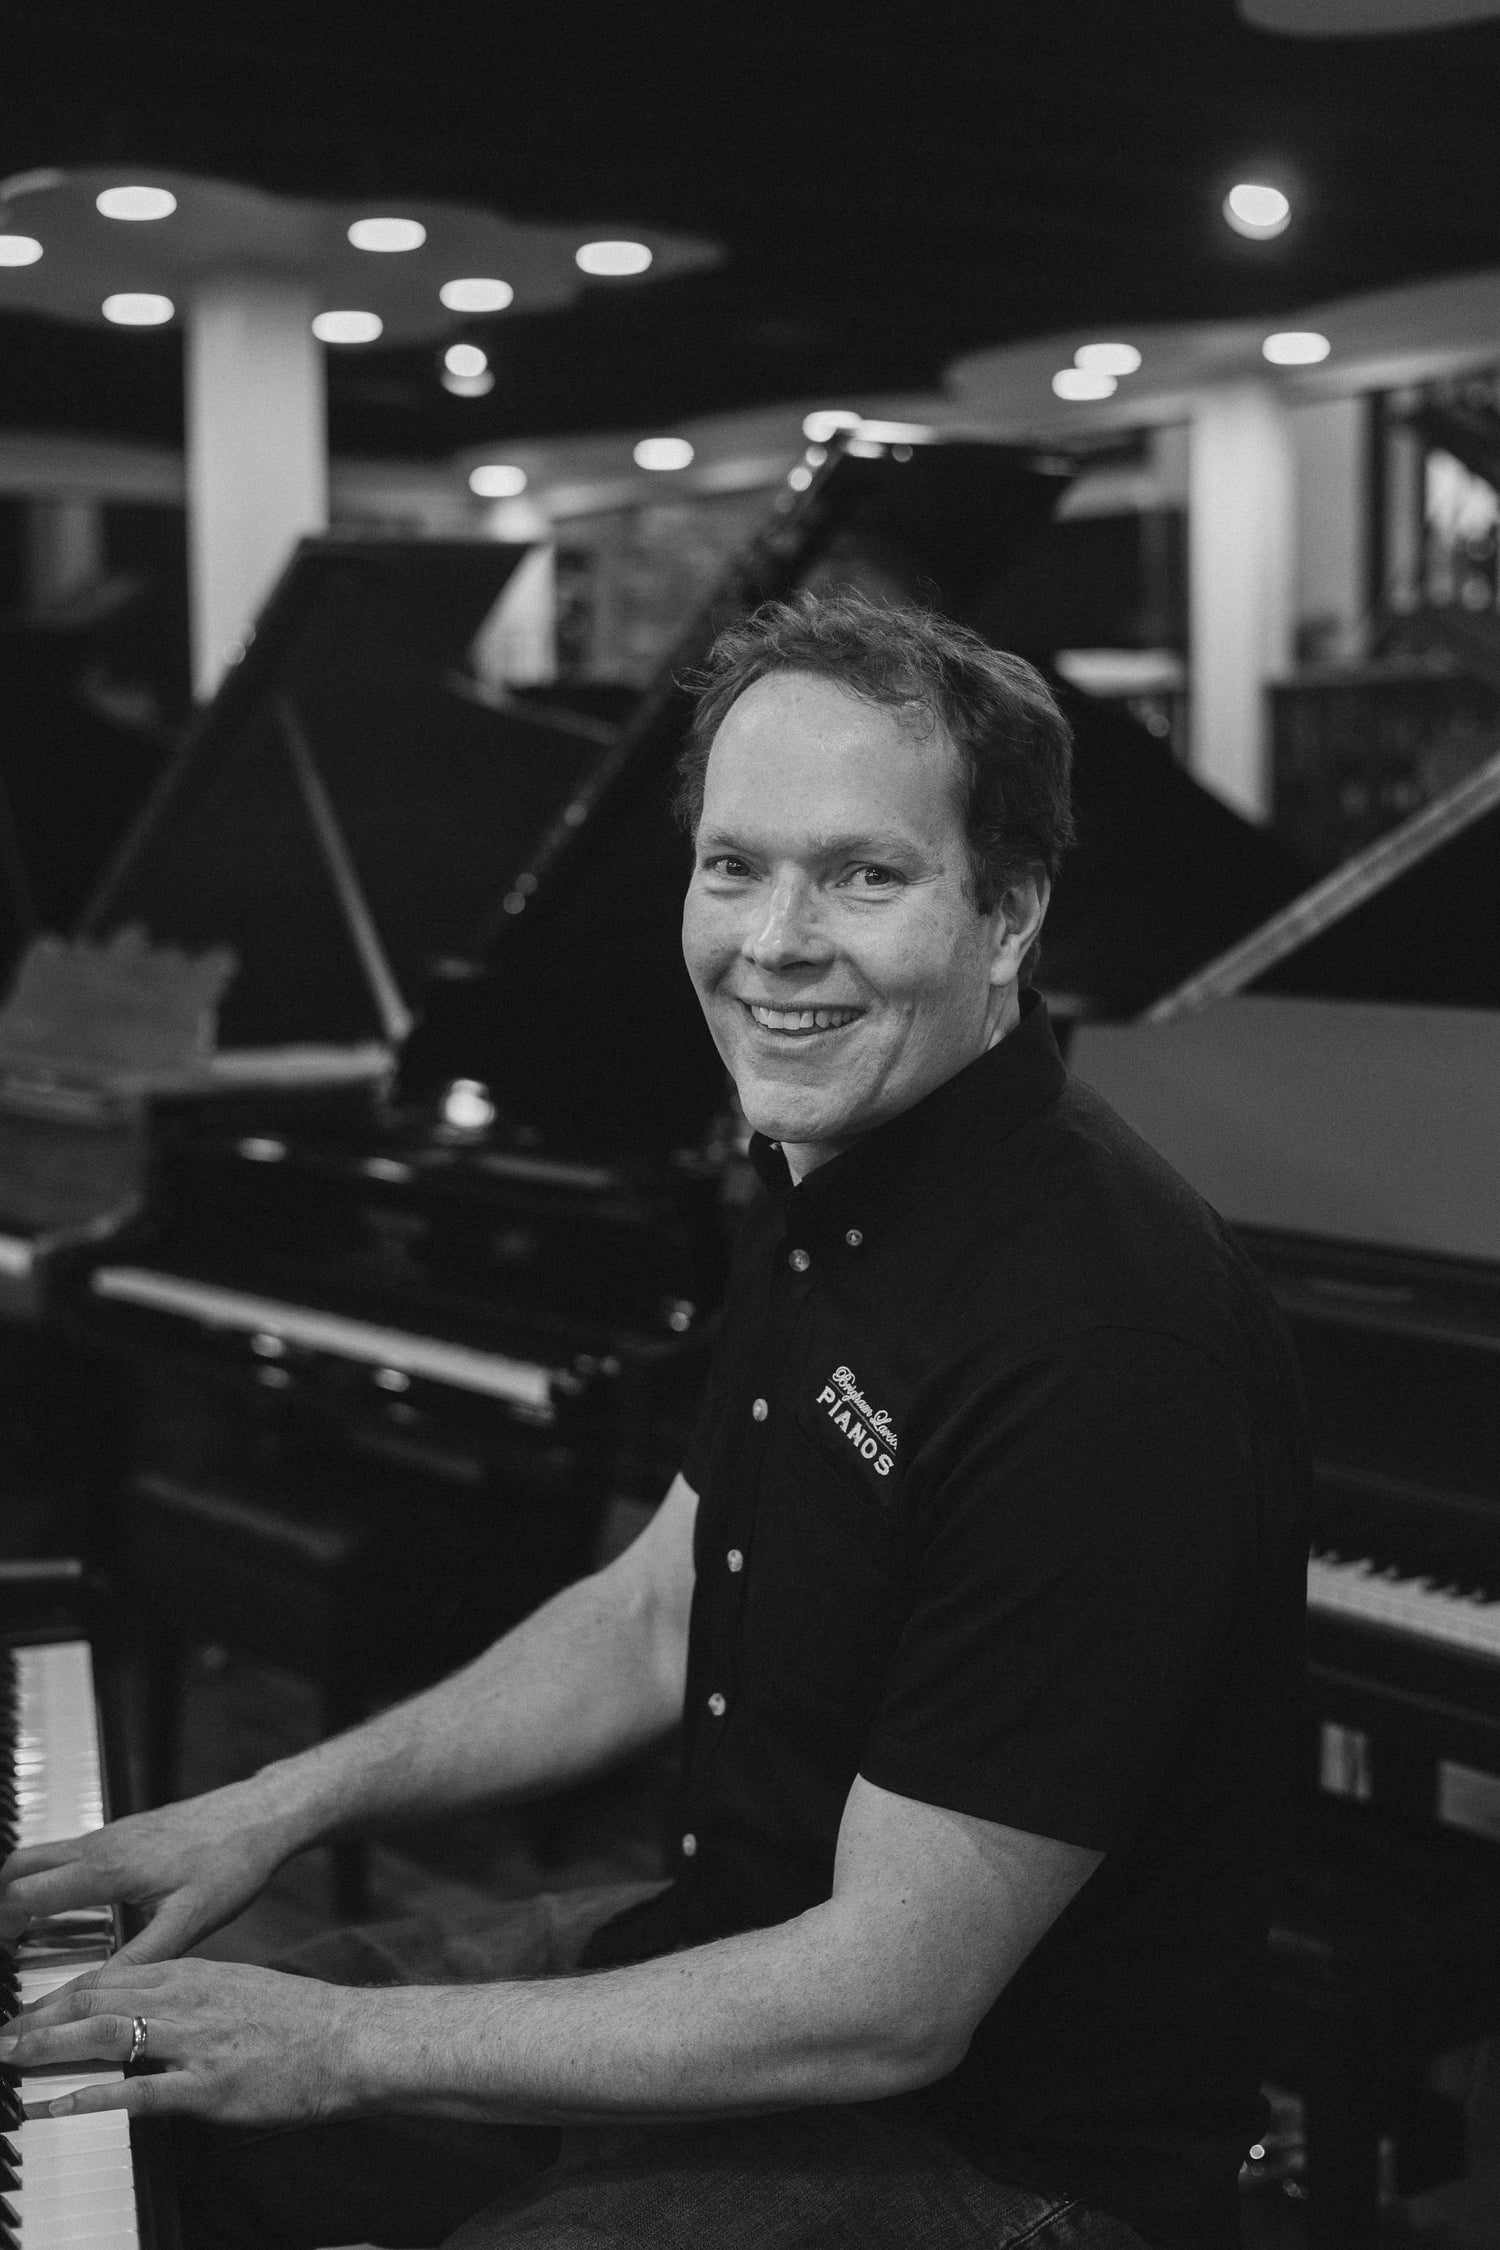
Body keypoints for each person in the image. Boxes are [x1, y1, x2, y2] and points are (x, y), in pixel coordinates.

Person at [0, 590, 1308, 2250]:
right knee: (151, 2089)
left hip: (1001, 2156)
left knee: (291, 2055)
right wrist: (279, 1801)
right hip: (738, 1946)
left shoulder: (1107, 1340)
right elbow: (652, 1609)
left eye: (864, 872)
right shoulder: (825, 1158)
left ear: (1011, 913)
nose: (773, 940)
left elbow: (891, 2000)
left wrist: (344, 2048)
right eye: (735, 863)